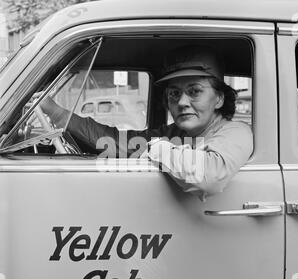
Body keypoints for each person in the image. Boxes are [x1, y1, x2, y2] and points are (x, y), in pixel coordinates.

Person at [39, 45, 253, 201]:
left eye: (194, 91)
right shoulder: (174, 132)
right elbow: (115, 143)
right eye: (174, 93)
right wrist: (54, 110)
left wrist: (156, 149)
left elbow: (210, 176)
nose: (182, 102)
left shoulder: (236, 132)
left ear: (219, 98)